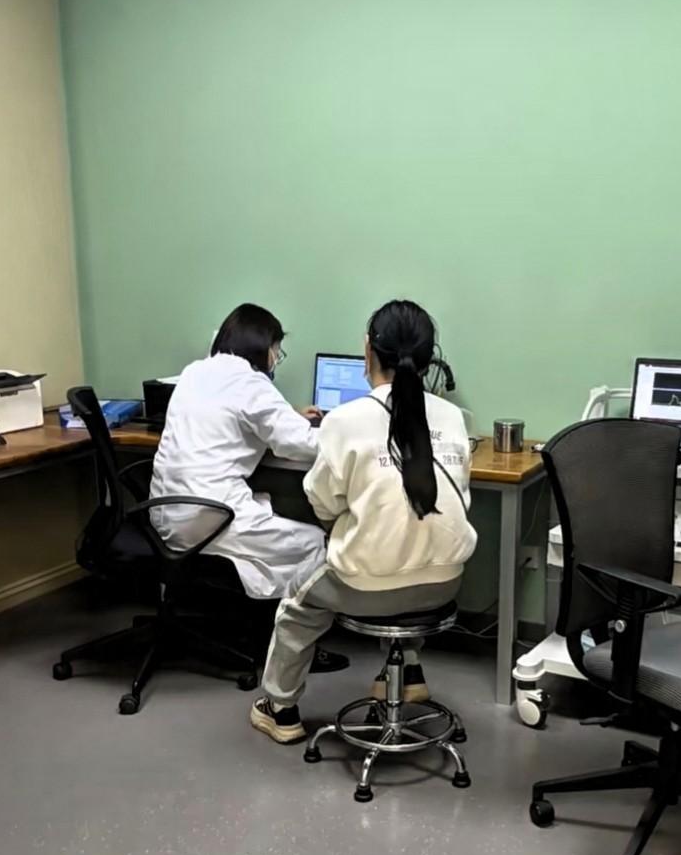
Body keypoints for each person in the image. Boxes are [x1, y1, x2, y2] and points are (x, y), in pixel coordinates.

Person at [250, 299, 478, 744]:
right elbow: (460, 499)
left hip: (365, 589)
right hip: (445, 583)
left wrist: (355, 519)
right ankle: (409, 671)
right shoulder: (453, 418)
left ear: (368, 351)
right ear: (429, 359)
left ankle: (280, 710)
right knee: (411, 548)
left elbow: (321, 501)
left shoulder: (344, 420)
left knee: (298, 604)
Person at [150, 302, 328, 606]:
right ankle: (288, 632)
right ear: (265, 347)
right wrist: (348, 432)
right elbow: (300, 443)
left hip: (164, 517)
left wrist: (289, 416)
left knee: (271, 520)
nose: (276, 359)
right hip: (208, 519)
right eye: (277, 351)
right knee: (316, 544)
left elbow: (231, 420)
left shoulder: (194, 372)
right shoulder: (251, 383)